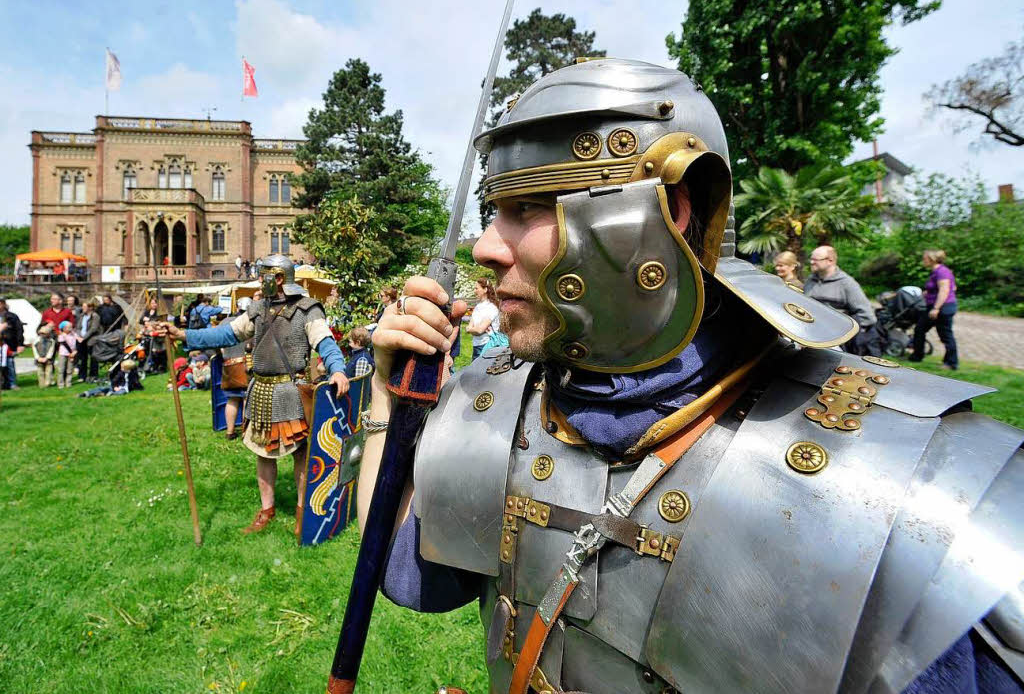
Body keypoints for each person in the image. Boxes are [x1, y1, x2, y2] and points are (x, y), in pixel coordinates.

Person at [360, 59, 1024, 694]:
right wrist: (392, 403)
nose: (485, 245)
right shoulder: (504, 400)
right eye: (492, 210)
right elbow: (407, 570)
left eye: (529, 207)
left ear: (665, 212)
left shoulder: (904, 483)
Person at [161, 254, 350, 535]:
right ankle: (266, 510)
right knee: (263, 454)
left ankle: (301, 512)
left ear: (277, 279)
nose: (259, 281)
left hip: (290, 391)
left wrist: (337, 369)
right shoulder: (258, 309)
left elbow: (325, 342)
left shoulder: (308, 310)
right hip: (260, 391)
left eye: (264, 276)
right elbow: (225, 335)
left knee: (299, 455)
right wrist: (184, 335)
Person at [804, 245, 881, 356]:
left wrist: (841, 332)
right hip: (808, 335)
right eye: (811, 259)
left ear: (830, 261)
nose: (811, 262)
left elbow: (867, 316)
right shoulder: (810, 281)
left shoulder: (847, 283)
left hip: (835, 343)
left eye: (815, 259)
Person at [910, 249, 959, 370]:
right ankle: (917, 356)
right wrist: (927, 293)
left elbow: (944, 290)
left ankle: (951, 363)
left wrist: (936, 308)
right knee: (920, 329)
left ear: (931, 259)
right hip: (937, 306)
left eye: (924, 258)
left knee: (945, 335)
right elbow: (953, 287)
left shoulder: (942, 272)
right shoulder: (937, 271)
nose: (923, 260)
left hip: (942, 308)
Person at [465, 277, 499, 360]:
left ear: (485, 289)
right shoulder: (477, 307)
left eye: (477, 288)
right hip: (476, 345)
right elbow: (471, 327)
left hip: (488, 346)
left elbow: (479, 330)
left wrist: (470, 330)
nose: (475, 291)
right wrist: (473, 329)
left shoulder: (492, 307)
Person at [0, 298, 25, 390]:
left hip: (9, 344)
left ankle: (12, 383)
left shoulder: (12, 316)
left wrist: (20, 344)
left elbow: (19, 330)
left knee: (10, 364)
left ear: (3, 304)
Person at [74, 301, 101, 382]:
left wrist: (84, 337)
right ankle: (82, 376)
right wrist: (79, 336)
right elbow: (78, 327)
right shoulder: (81, 315)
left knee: (93, 358)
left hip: (91, 340)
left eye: (85, 307)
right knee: (82, 358)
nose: (83, 308)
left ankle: (93, 375)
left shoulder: (95, 316)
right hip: (80, 339)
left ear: (90, 308)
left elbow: (93, 329)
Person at [140, 298, 167, 373]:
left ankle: (162, 366)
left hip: (158, 334)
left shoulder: (159, 313)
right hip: (148, 333)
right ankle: (151, 366)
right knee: (147, 350)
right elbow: (141, 320)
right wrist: (145, 322)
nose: (154, 305)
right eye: (152, 303)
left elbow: (159, 322)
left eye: (155, 303)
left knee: (159, 351)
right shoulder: (147, 311)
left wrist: (149, 322)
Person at [32, 323, 57, 388]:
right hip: (39, 358)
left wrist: (47, 357)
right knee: (40, 372)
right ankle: (41, 384)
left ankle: (47, 383)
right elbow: (34, 349)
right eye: (41, 333)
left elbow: (51, 350)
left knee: (48, 372)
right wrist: (37, 357)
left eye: (44, 333)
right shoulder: (36, 340)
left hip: (48, 359)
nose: (43, 335)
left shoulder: (51, 341)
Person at [55, 321, 77, 388]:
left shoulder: (73, 334)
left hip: (72, 353)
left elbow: (78, 341)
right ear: (63, 328)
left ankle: (68, 383)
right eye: (68, 327)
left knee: (70, 369)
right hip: (64, 353)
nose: (70, 328)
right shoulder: (61, 335)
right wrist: (71, 353)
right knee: (61, 369)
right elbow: (65, 344)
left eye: (71, 327)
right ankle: (61, 384)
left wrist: (75, 351)